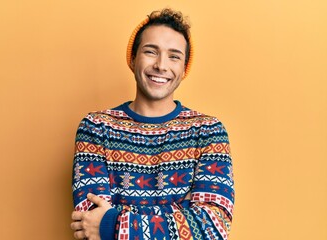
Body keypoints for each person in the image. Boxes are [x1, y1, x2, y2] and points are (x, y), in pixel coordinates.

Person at [70, 8, 235, 240]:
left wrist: (112, 224)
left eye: (174, 56)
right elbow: (88, 224)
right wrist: (183, 216)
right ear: (133, 58)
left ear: (184, 68)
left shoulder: (208, 131)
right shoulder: (96, 127)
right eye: (151, 51)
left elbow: (212, 227)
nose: (161, 65)